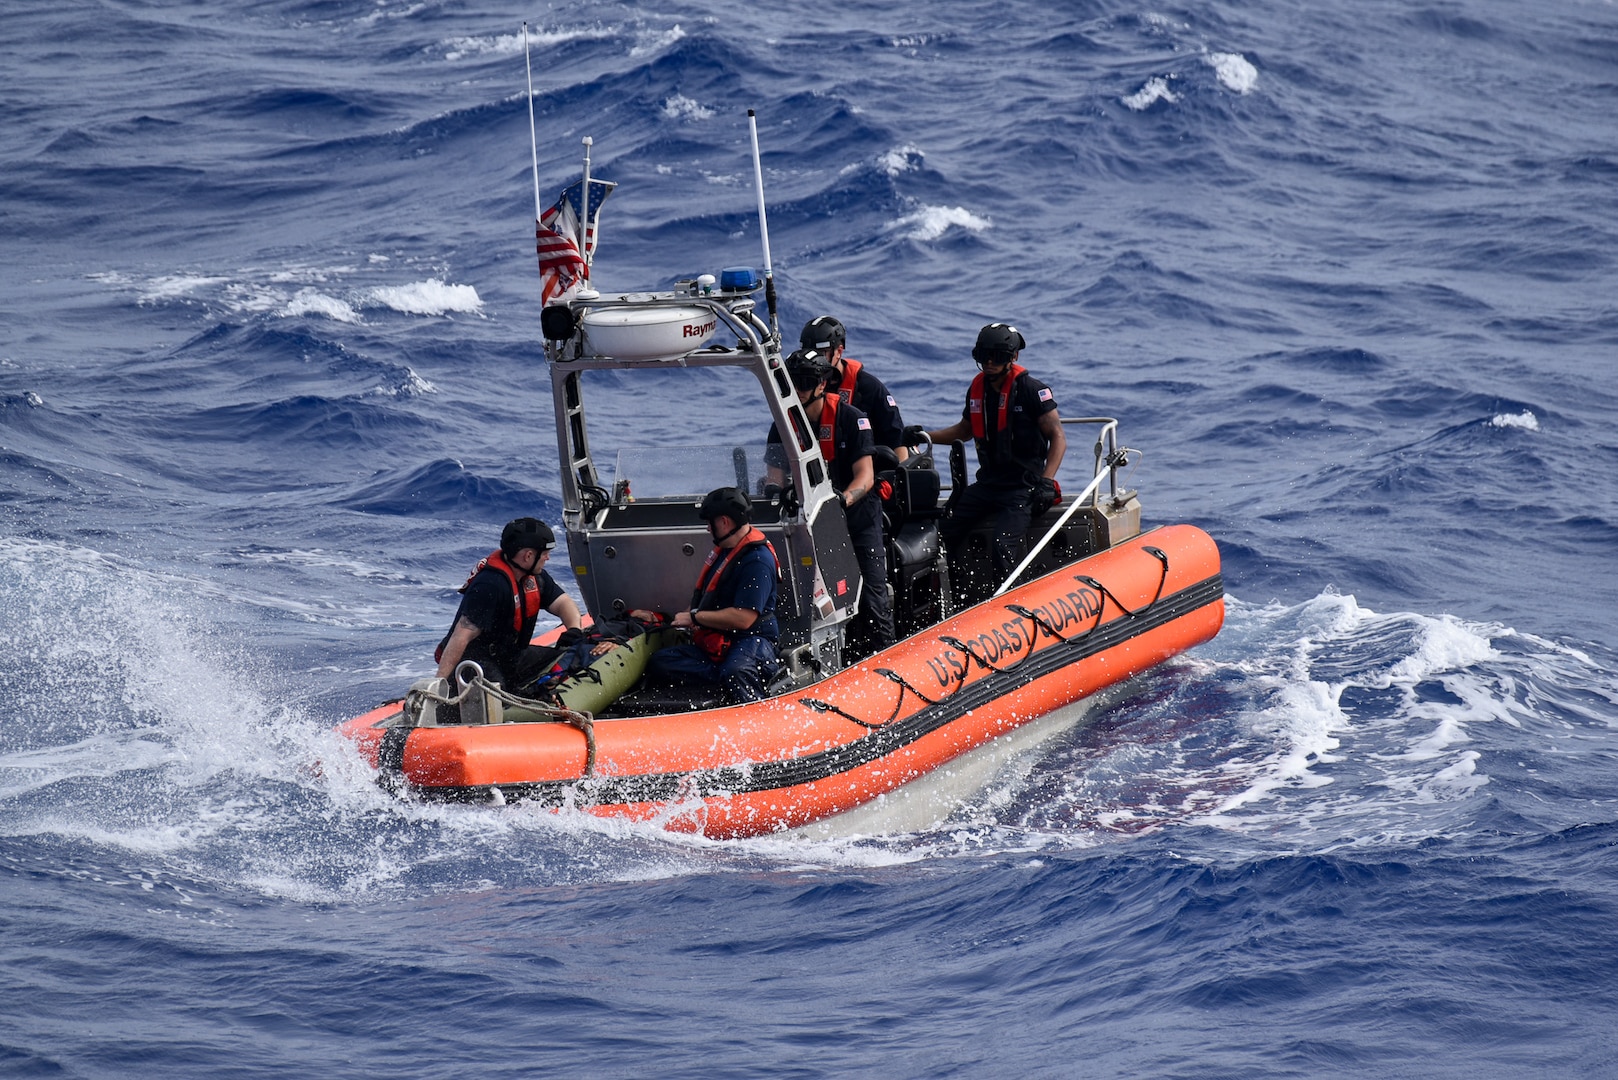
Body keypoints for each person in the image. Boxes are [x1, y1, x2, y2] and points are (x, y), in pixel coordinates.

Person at [908, 322, 1067, 594]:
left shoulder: (1032, 390)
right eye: (985, 356)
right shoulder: (977, 390)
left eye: (999, 356)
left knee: (1002, 544)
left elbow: (1058, 437)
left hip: (1022, 487)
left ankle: (1010, 601)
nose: (991, 362)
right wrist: (924, 436)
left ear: (1013, 358)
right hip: (988, 485)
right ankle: (957, 593)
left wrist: (1046, 481)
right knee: (942, 531)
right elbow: (965, 430)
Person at [767, 348, 896, 652]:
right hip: (810, 525)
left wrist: (842, 499)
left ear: (821, 385)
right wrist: (778, 493)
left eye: (803, 383)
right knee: (805, 602)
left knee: (871, 598)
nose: (797, 391)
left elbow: (865, 476)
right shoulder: (782, 425)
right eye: (792, 383)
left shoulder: (852, 419)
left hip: (856, 519)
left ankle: (885, 655)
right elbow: (774, 476)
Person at [634, 487, 782, 703]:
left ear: (724, 522)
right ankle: (720, 690)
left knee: (736, 670)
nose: (707, 529)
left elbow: (744, 618)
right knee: (661, 662)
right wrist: (663, 618)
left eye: (710, 522)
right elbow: (705, 600)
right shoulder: (726, 551)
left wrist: (694, 618)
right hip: (719, 639)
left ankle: (755, 713)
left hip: (754, 640)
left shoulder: (757, 560)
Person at [434, 517, 584, 693]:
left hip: (511, 657)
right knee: (497, 694)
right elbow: (461, 636)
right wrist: (438, 685)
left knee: (572, 658)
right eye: (544, 554)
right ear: (528, 556)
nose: (548, 558)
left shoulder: (535, 577)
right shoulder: (490, 585)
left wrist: (574, 630)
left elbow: (563, 603)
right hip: (475, 662)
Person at [800, 315, 910, 463]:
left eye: (821, 354)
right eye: (809, 353)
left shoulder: (870, 388)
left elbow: (897, 440)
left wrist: (898, 478)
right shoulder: (799, 389)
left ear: (839, 351)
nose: (815, 360)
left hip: (867, 468)